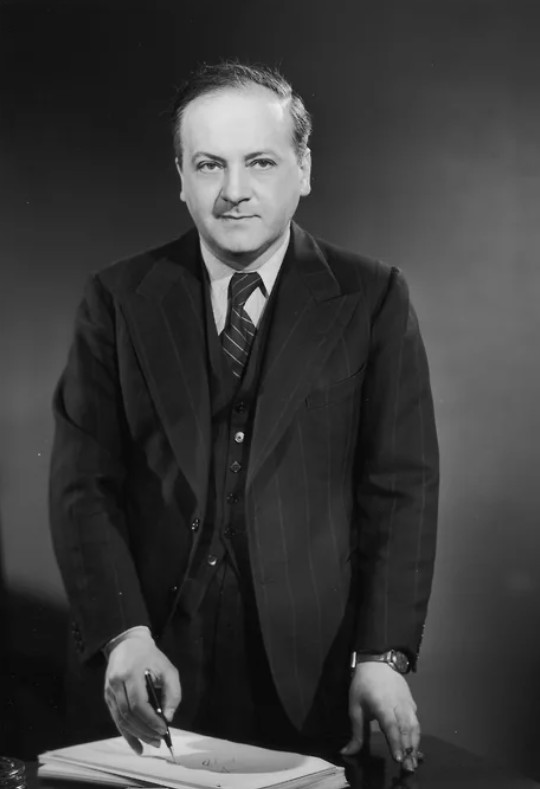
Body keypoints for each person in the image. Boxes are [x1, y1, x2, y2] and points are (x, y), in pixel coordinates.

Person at [49, 61, 438, 772]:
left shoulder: (373, 296)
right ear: (181, 176)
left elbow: (399, 487)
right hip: (149, 669)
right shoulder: (117, 299)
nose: (233, 190)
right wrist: (125, 635)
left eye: (260, 162)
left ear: (303, 169)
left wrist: (382, 656)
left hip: (311, 682)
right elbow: (83, 486)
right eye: (209, 165)